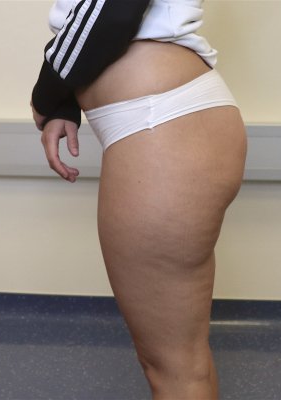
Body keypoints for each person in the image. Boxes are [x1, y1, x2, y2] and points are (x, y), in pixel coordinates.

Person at [31, 1, 247, 399]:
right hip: (166, 120)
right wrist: (65, 100)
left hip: (160, 123)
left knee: (174, 368)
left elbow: (113, 10)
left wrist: (47, 94)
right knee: (182, 363)